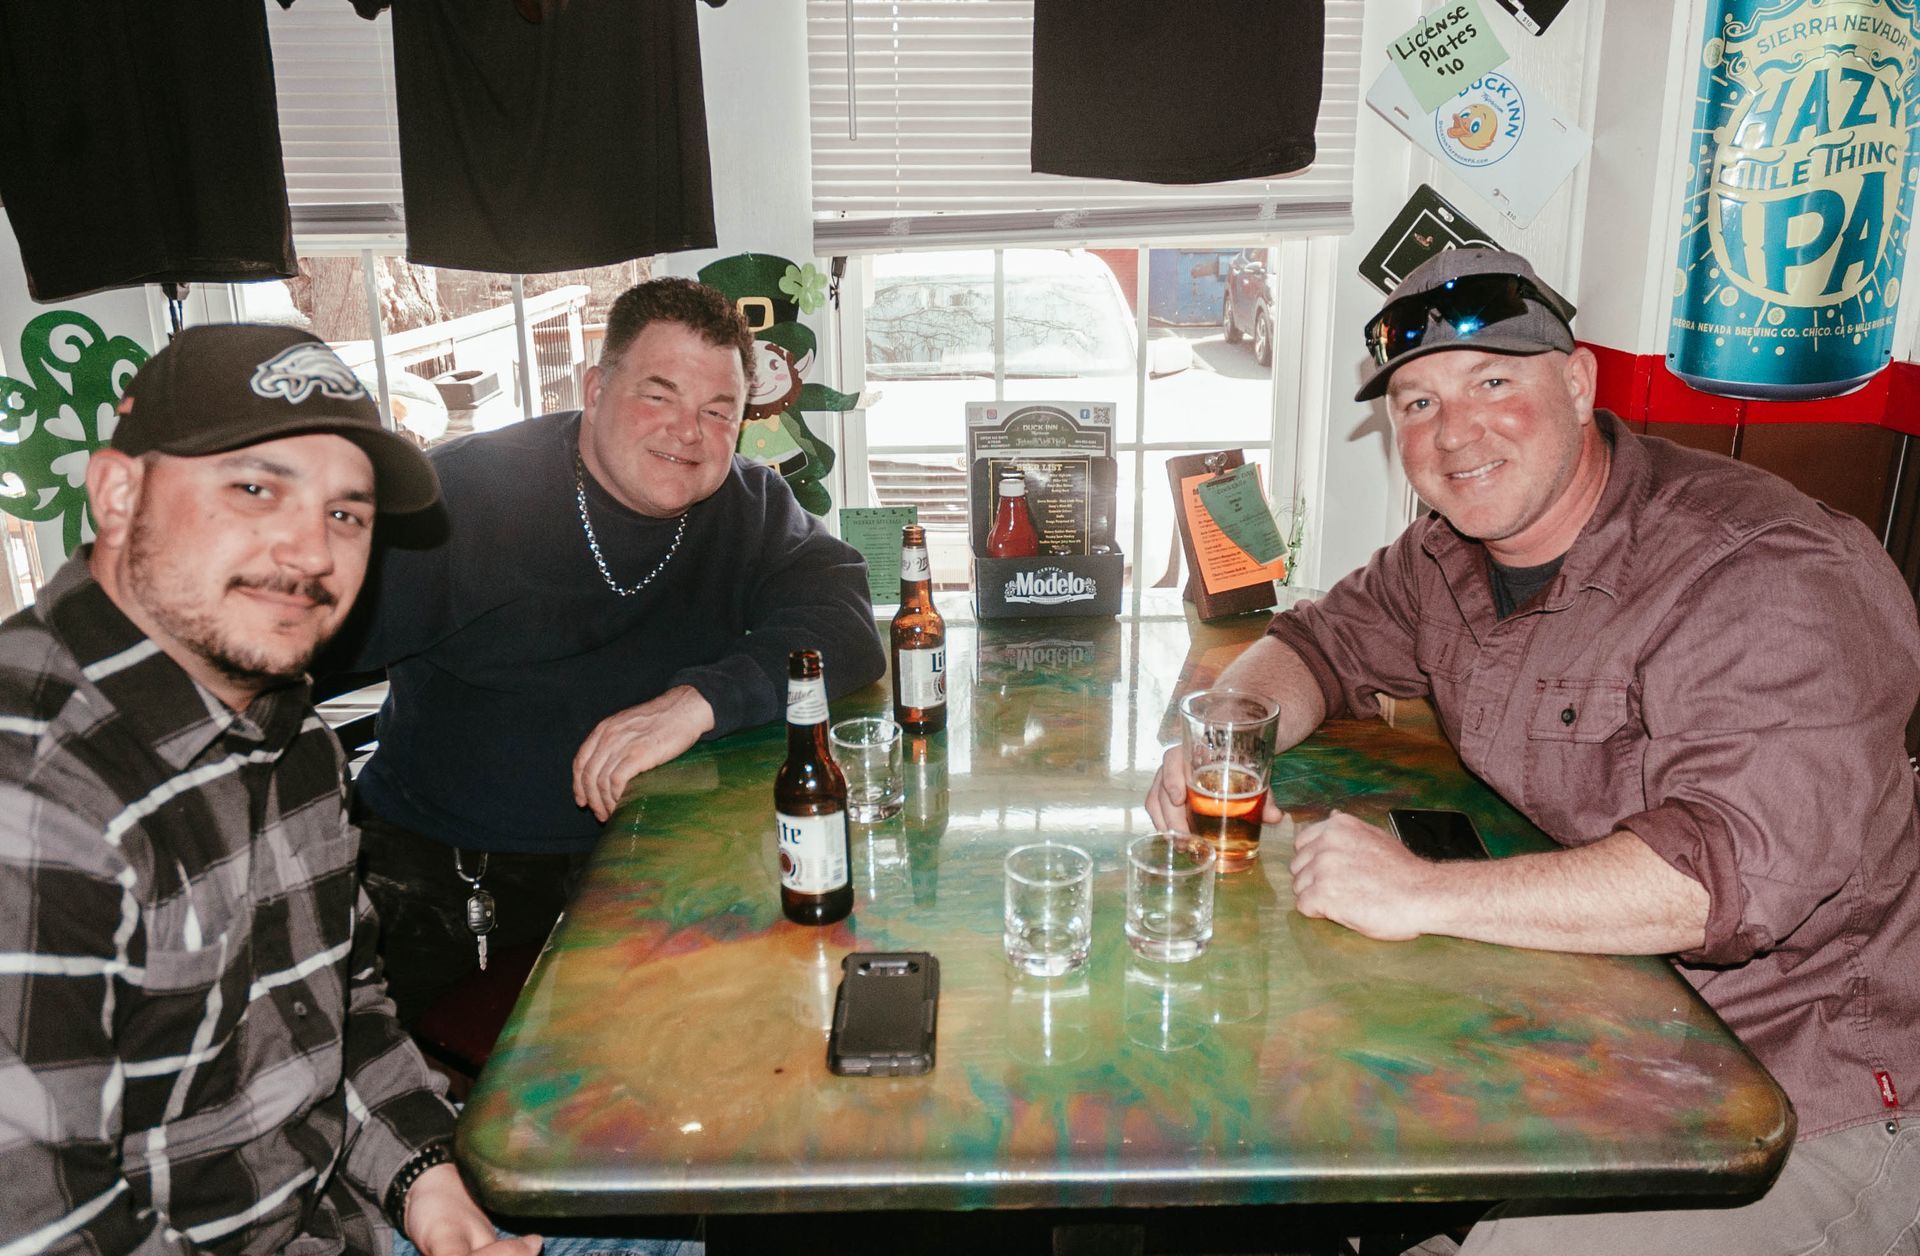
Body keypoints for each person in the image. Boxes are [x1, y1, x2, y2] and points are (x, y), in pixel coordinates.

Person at [1147, 248, 1920, 1254]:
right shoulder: (1449, 549)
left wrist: (1417, 891)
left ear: (1579, 381)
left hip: (1802, 1096)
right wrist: (1224, 734)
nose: (1453, 433)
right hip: (1593, 1030)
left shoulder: (1764, 569)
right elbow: (1318, 642)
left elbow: (1719, 882)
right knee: (1265, 1116)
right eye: (1416, 403)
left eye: (1493, 382)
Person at [0, 325, 537, 1254]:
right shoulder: (36, 794)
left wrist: (426, 1184)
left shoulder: (292, 736)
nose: (311, 554)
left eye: (346, 514)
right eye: (255, 488)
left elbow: (341, 1006)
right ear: (118, 493)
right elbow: (45, 1227)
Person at [325, 277, 885, 1026]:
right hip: (447, 873)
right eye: (659, 396)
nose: (689, 432)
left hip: (650, 863)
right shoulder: (458, 499)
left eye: (718, 411)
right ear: (595, 389)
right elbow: (295, 635)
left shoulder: (749, 506)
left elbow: (845, 619)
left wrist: (701, 700)